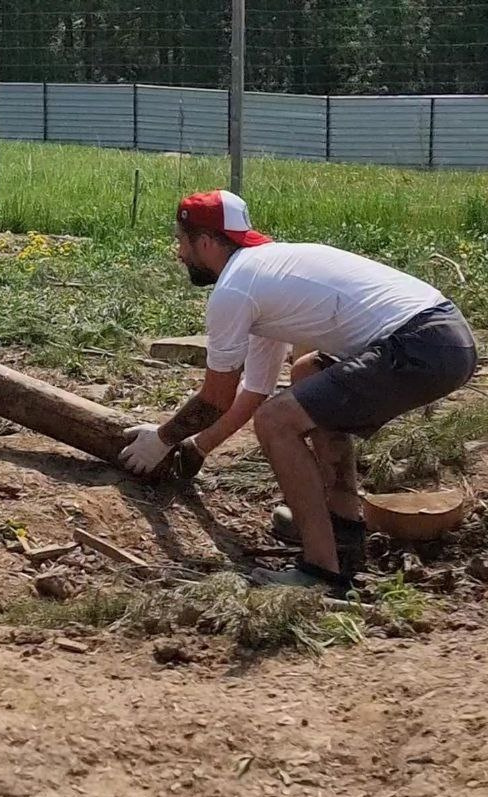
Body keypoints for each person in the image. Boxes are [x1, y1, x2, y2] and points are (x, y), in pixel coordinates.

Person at [119, 189, 478, 592]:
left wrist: (163, 439)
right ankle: (342, 528)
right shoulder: (265, 275)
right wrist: (197, 449)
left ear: (204, 241)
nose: (179, 253)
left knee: (276, 422)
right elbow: (254, 389)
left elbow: (216, 398)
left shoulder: (235, 289)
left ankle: (320, 572)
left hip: (420, 346)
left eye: (182, 242)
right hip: (445, 339)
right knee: (306, 375)